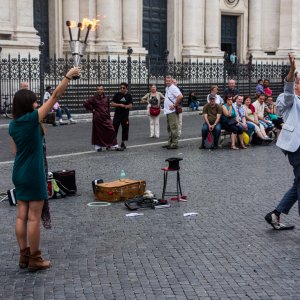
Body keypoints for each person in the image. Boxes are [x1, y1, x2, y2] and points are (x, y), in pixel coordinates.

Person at [9, 67, 80, 271]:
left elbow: (14, 151)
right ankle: (35, 259)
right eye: (34, 101)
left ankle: (23, 255)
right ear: (27, 104)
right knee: (33, 217)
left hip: (19, 172)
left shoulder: (14, 125)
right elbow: (56, 95)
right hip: (33, 172)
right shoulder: (32, 120)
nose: (37, 103)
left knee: (21, 215)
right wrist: (67, 76)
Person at [265, 54, 300, 230]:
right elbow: (288, 90)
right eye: (298, 82)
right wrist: (292, 70)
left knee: (298, 185)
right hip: (297, 148)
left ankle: (275, 213)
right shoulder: (287, 100)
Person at [83, 85, 122, 151]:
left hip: (106, 117)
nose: (99, 91)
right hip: (97, 118)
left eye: (101, 89)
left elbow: (108, 108)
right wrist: (92, 109)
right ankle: (98, 147)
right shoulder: (93, 98)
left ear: (103, 90)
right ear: (96, 90)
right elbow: (85, 104)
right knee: (98, 132)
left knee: (111, 130)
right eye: (98, 89)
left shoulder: (106, 98)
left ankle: (113, 145)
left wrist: (109, 117)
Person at [162, 75, 183, 150]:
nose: (167, 82)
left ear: (171, 81)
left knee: (173, 127)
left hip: (172, 111)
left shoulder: (174, 88)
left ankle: (174, 143)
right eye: (166, 81)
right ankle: (170, 142)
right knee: (169, 128)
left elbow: (180, 96)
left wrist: (174, 105)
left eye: (169, 81)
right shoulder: (167, 88)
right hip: (168, 111)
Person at [111, 82, 133, 150]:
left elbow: (131, 106)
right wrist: (119, 105)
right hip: (117, 115)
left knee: (125, 129)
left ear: (126, 88)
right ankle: (114, 142)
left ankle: (123, 142)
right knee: (114, 129)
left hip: (125, 115)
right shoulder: (117, 94)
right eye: (121, 88)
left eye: (123, 88)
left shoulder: (129, 96)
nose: (122, 89)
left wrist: (126, 106)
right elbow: (112, 104)